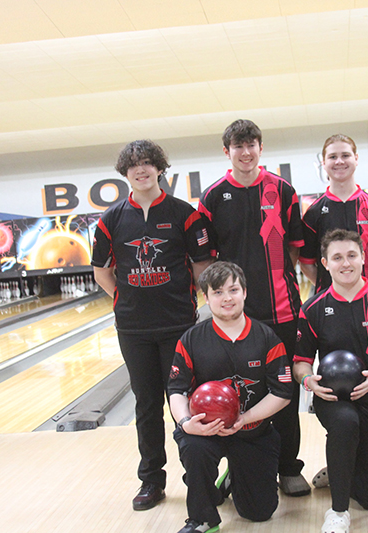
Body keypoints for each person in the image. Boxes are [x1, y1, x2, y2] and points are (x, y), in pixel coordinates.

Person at [91, 139, 213, 511]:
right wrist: (124, 300)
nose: (140, 170)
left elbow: (202, 266)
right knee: (146, 405)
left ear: (159, 168)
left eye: (147, 163)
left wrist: (188, 300)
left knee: (185, 402)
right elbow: (101, 272)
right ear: (124, 172)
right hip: (134, 329)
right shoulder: (110, 219)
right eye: (133, 165)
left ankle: (198, 477)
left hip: (178, 324)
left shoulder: (184, 214)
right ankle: (151, 481)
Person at [197, 119, 310, 496]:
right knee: (238, 393)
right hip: (234, 316)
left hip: (282, 310)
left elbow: (295, 245)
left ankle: (289, 468)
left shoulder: (283, 190)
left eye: (252, 145)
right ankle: (239, 467)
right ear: (226, 150)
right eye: (238, 146)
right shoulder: (213, 197)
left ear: (261, 148)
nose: (246, 152)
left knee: (285, 392)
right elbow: (208, 260)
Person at [293, 229, 368, 533]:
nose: (345, 263)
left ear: (364, 258)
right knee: (345, 424)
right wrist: (309, 382)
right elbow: (300, 362)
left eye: (352, 255)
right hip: (334, 400)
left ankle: (345, 468)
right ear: (325, 263)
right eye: (337, 257)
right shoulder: (314, 308)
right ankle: (338, 512)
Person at [168, 261, 293, 533]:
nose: (227, 298)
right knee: (193, 446)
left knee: (259, 513)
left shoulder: (266, 338)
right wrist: (187, 422)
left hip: (253, 431)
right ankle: (202, 519)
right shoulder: (191, 340)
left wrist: (245, 417)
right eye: (218, 292)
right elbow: (176, 390)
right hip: (206, 432)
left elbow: (282, 393)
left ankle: (231, 478)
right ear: (206, 297)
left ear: (244, 292)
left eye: (233, 290)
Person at [300, 134, 368, 295]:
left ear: (356, 158)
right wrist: (333, 287)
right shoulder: (313, 214)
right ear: (323, 163)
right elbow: (306, 263)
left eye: (345, 155)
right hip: (330, 302)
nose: (339, 161)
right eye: (332, 157)